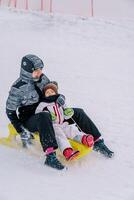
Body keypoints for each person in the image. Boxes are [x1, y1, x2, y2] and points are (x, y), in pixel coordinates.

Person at [6, 54, 114, 171]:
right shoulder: (17, 88)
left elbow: (51, 90)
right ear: (26, 71)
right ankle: (50, 157)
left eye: (40, 70)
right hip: (31, 119)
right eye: (36, 71)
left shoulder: (42, 78)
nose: (39, 73)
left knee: (78, 112)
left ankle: (98, 142)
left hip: (51, 110)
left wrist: (58, 97)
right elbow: (10, 111)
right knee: (44, 116)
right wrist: (21, 130)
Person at [36, 82, 94, 161]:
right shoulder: (43, 104)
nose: (50, 94)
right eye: (47, 92)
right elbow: (38, 114)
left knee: (71, 130)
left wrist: (68, 113)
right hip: (53, 125)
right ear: (44, 95)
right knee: (60, 136)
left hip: (63, 123)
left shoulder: (59, 102)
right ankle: (67, 151)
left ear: (56, 93)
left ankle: (84, 138)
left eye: (52, 92)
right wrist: (48, 115)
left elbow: (66, 113)